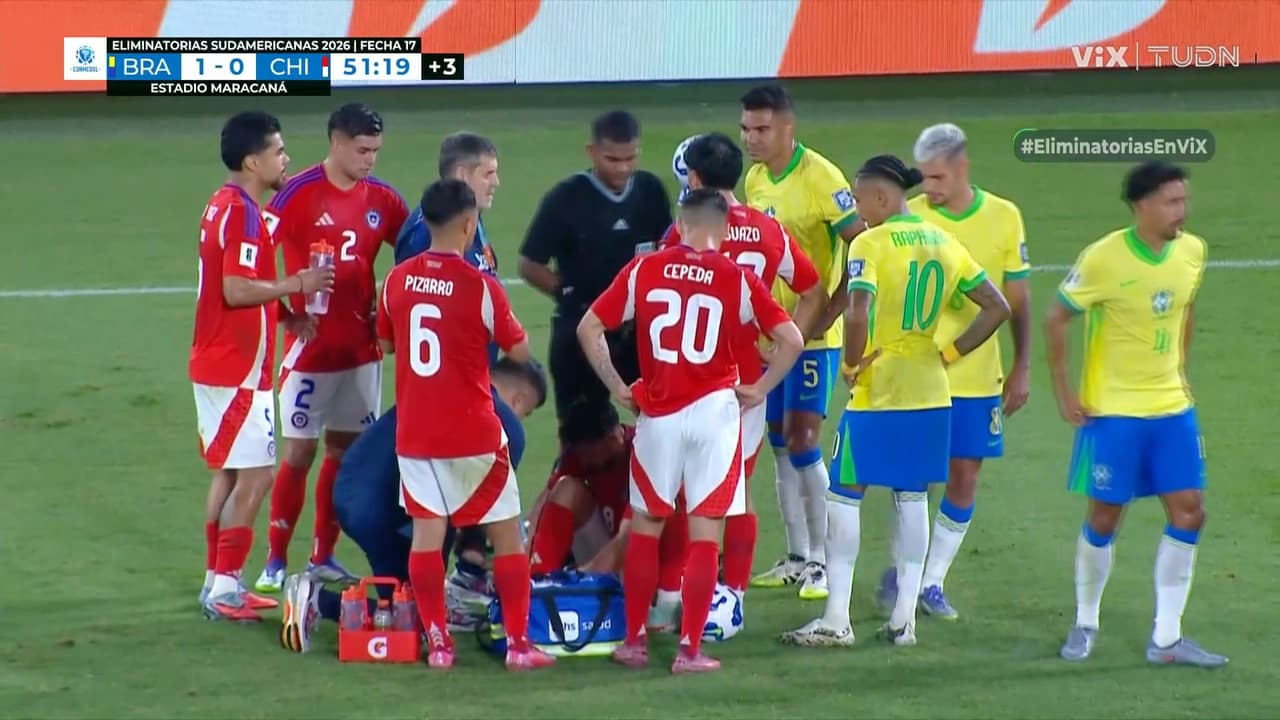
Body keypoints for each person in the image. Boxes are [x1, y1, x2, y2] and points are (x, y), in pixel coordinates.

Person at [781, 154, 1009, 649]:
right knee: (911, 497)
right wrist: (947, 353)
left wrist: (851, 363)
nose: (858, 212)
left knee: (845, 492)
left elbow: (857, 311)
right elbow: (997, 306)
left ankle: (836, 618)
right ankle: (904, 619)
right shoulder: (944, 242)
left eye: (861, 200)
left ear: (882, 197)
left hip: (878, 390)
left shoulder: (871, 242)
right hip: (930, 391)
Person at [578, 188, 803, 673]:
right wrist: (761, 387)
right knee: (705, 536)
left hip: (657, 415)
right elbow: (791, 338)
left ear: (679, 225)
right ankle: (689, 651)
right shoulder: (737, 277)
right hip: (715, 415)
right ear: (723, 232)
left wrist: (619, 385)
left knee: (646, 529)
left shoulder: (645, 269)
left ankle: (634, 643)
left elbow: (589, 326)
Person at [1047, 162, 1225, 667]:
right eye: (1171, 202)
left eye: (1184, 200)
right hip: (1114, 413)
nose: (1182, 212)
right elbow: (1057, 316)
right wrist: (1064, 391)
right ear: (1140, 206)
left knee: (1190, 512)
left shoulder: (1192, 251)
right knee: (1105, 516)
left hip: (1172, 409)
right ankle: (1085, 622)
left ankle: (1166, 639)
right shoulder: (1103, 258)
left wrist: (1180, 368)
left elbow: (1185, 307)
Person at [375, 178, 553, 671]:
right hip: (472, 431)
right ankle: (518, 645)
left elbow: (387, 344)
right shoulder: (481, 286)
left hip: (415, 433)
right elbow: (519, 351)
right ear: (470, 224)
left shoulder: (396, 281)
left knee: (427, 538)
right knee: (505, 539)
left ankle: (439, 645)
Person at [279, 357, 548, 653]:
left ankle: (343, 601)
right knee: (411, 612)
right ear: (519, 398)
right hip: (388, 507)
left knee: (402, 597)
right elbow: (483, 502)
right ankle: (319, 600)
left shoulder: (437, 386)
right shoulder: (499, 423)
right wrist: (476, 552)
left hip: (352, 489)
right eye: (526, 411)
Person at [875, 123, 1034, 620]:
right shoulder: (910, 217)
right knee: (915, 480)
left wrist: (1023, 366)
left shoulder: (1004, 217)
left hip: (977, 377)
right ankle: (904, 571)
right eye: (923, 177)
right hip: (918, 375)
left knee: (964, 478)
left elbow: (1017, 299)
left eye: (938, 177)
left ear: (962, 168)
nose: (930, 188)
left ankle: (930, 581)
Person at [662, 132, 824, 602]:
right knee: (734, 489)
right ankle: (730, 595)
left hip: (688, 374)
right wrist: (783, 340)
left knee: (678, 490)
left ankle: (674, 591)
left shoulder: (687, 228)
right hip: (747, 380)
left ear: (693, 178)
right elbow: (812, 289)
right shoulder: (768, 229)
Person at [255, 103, 409, 593]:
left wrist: (386, 313)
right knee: (299, 452)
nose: (370, 160)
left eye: (376, 151)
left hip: (362, 354)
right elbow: (255, 261)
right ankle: (276, 560)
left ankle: (323, 555)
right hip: (310, 352)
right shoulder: (296, 194)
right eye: (362, 150)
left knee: (343, 453)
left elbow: (413, 257)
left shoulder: (383, 198)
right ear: (337, 143)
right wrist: (286, 314)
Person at [193, 111, 334, 621]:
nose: (286, 159)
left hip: (217, 362)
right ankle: (227, 586)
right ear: (253, 161)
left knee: (230, 474)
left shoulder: (220, 204)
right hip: (236, 370)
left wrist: (286, 316)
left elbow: (237, 284)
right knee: (256, 476)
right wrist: (296, 285)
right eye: (278, 151)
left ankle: (216, 581)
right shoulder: (247, 214)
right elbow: (236, 289)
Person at [739, 84, 864, 599]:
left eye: (762, 129)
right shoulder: (755, 180)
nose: (752, 139)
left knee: (804, 439)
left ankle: (825, 562)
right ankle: (797, 556)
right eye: (746, 128)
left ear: (788, 128)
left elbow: (859, 242)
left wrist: (833, 311)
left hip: (814, 336)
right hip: (773, 338)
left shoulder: (822, 178)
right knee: (778, 444)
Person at [393, 131, 505, 611]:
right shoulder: (428, 236)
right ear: (462, 176)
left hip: (465, 386)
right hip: (449, 397)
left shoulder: (465, 224)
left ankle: (465, 570)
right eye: (489, 172)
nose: (497, 182)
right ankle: (463, 575)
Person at [518, 110, 672, 422]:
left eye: (630, 158)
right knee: (583, 443)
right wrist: (571, 295)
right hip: (580, 331)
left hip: (638, 331)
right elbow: (529, 263)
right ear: (592, 152)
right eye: (612, 160)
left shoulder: (651, 192)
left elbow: (667, 250)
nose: (623, 168)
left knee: (663, 420)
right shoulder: (565, 198)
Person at [524, 400, 690, 632]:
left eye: (588, 455)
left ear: (614, 439)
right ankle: (538, 585)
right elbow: (548, 497)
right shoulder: (585, 453)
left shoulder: (644, 454)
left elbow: (628, 536)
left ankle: (665, 606)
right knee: (565, 488)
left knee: (654, 513)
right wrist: (525, 554)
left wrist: (579, 580)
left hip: (649, 562)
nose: (584, 462)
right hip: (613, 555)